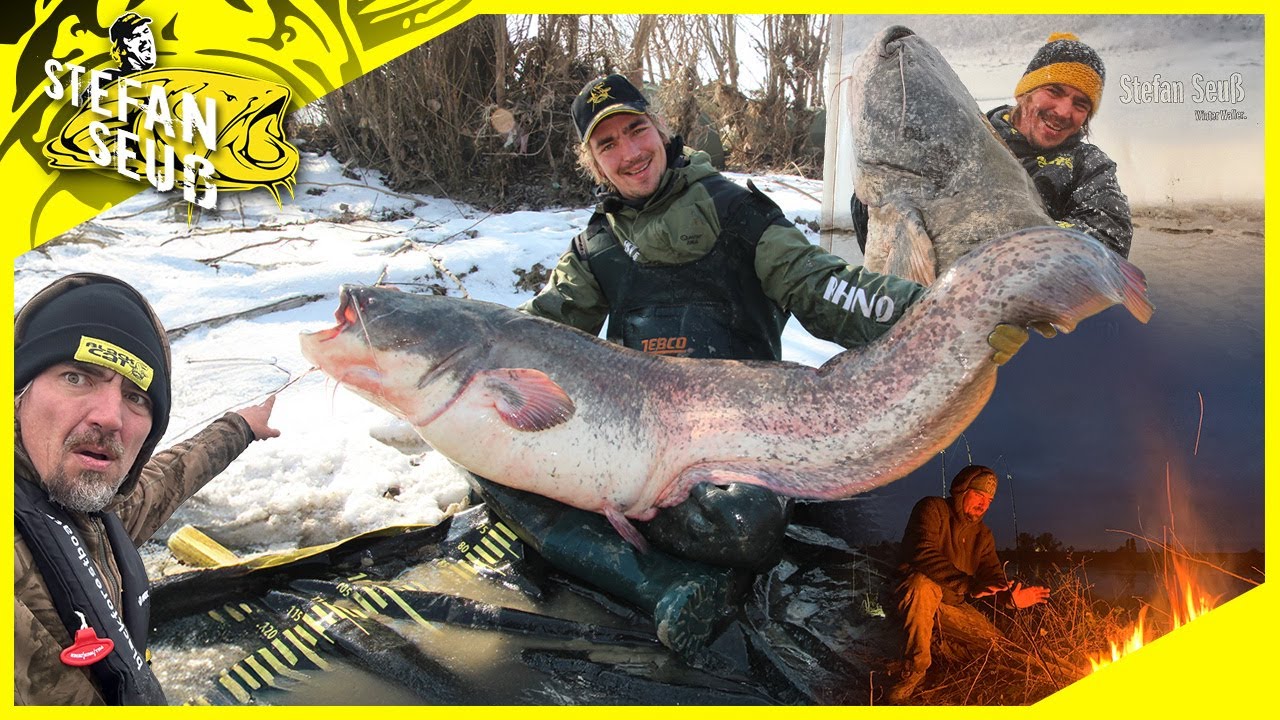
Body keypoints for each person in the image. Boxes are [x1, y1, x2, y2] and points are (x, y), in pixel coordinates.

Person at [467, 74, 1034, 659]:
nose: (629, 152)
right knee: (480, 449)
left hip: (741, 439)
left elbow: (825, 288)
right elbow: (538, 338)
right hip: (630, 440)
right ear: (593, 162)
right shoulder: (595, 250)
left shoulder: (740, 215)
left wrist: (943, 316)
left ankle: (646, 550)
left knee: (745, 526)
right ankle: (661, 583)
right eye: (607, 144)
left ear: (661, 128)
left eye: (636, 130)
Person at [13, 273, 280, 705]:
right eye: (77, 377)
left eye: (137, 397)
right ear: (17, 392)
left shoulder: (91, 517)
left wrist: (240, 428)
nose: (111, 417)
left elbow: (166, 481)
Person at [854, 32, 1132, 260]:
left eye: (1080, 104)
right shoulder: (969, 134)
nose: (1063, 111)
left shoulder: (1089, 166)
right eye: (1054, 91)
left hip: (1027, 311)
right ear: (1027, 91)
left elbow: (1109, 241)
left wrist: (1007, 234)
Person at [886, 465, 1050, 704]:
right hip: (915, 597)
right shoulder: (932, 508)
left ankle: (940, 646)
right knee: (922, 585)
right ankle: (913, 671)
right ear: (961, 490)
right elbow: (921, 551)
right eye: (979, 495)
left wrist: (1010, 598)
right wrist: (966, 584)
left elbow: (993, 577)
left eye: (990, 500)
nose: (984, 504)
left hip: (953, 605)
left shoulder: (983, 535)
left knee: (997, 648)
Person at [78, 13, 156, 105]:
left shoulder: (161, 79)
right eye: (135, 36)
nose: (145, 40)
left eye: (146, 31)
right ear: (122, 49)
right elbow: (84, 111)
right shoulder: (108, 79)